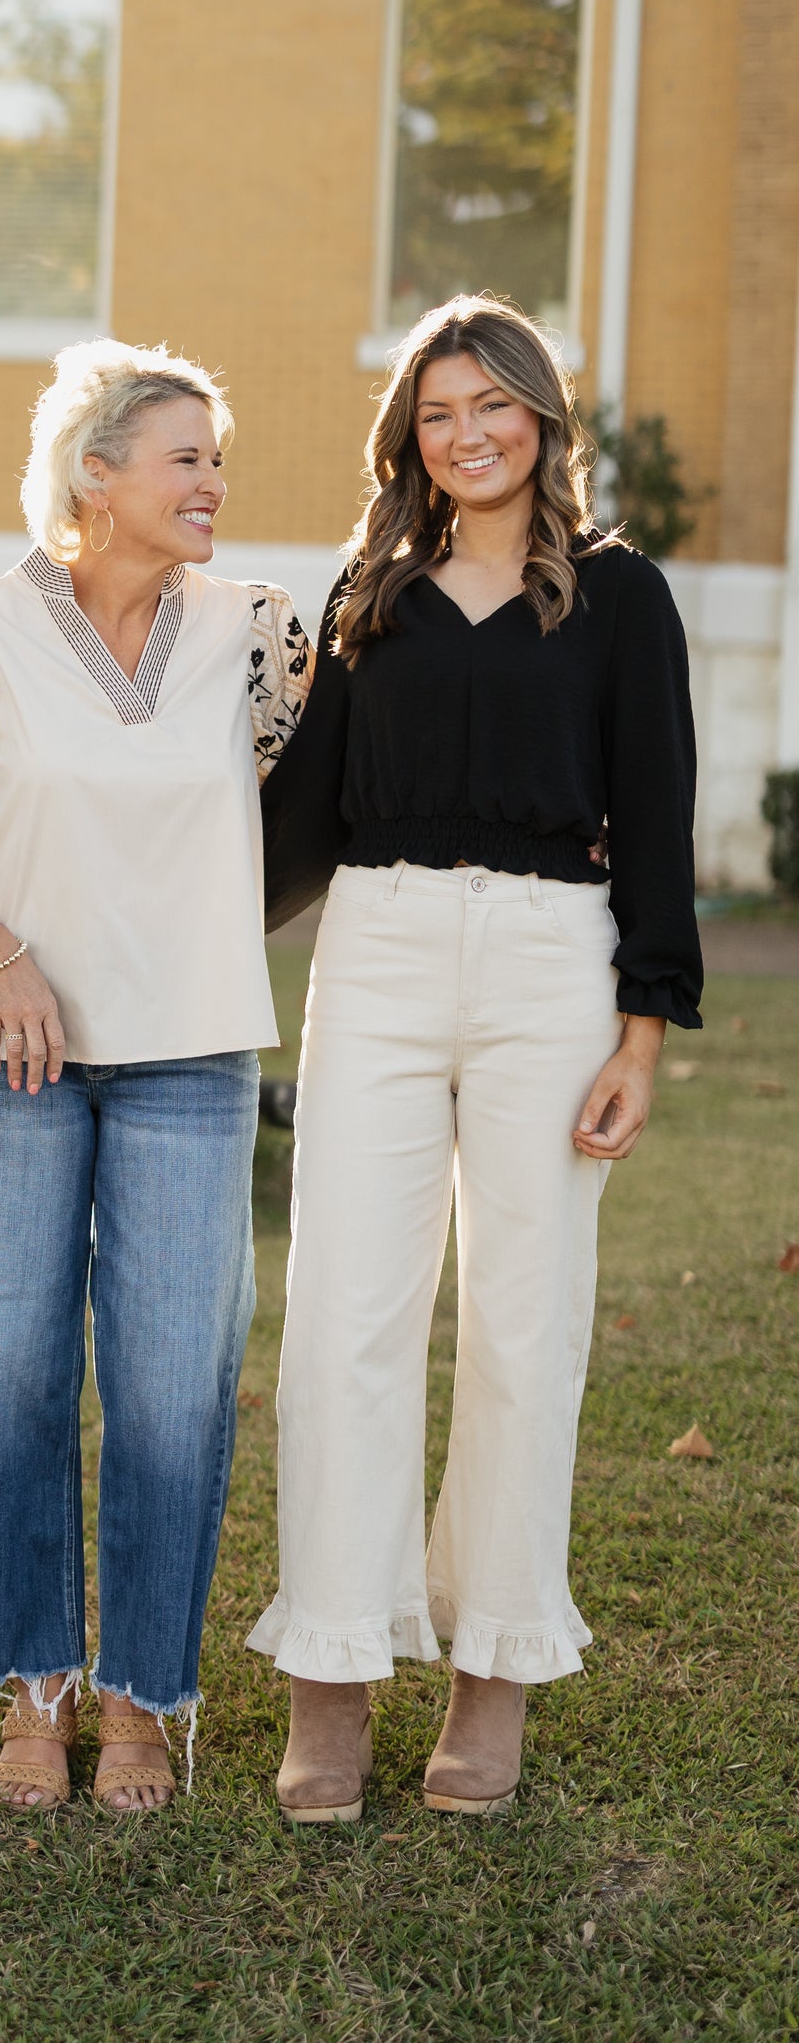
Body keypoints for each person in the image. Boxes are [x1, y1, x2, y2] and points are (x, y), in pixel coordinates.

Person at [0, 341, 309, 1813]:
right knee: (0, 1375)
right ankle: (25, 1686)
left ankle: (139, 1700)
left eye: (216, 458)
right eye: (183, 457)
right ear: (93, 476)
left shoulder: (264, 635)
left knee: (171, 1391)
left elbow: (289, 804)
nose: (212, 482)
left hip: (192, 1059)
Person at [249, 295, 701, 1823]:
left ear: (541, 416)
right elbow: (298, 811)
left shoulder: (620, 597)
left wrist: (641, 1026)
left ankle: (489, 1675)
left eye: (493, 404)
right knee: (343, 1322)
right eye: (439, 412)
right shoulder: (365, 593)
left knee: (523, 1327)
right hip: (372, 953)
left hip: (547, 967)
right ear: (410, 439)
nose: (469, 433)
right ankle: (330, 1675)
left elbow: (654, 808)